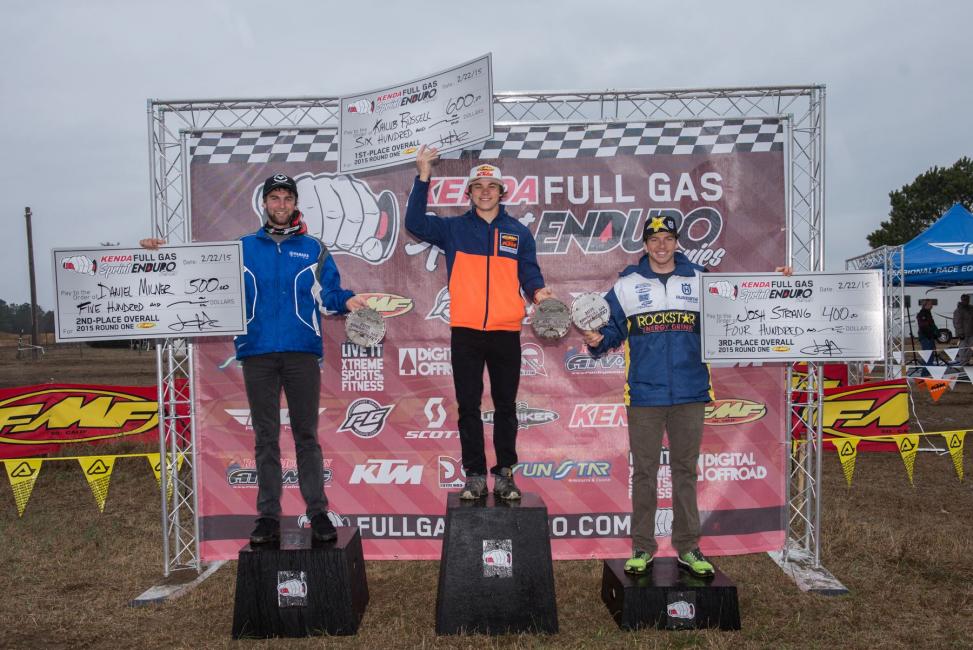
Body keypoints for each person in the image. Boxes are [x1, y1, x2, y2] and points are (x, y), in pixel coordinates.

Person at [141, 173, 368, 544]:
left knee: (306, 437)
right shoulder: (240, 247)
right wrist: (160, 255)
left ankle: (318, 513)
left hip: (301, 353)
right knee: (265, 438)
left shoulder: (314, 248)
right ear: (264, 203)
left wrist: (347, 300)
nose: (280, 204)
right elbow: (196, 273)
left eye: (286, 198)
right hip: (257, 353)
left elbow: (329, 294)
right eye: (274, 198)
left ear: (295, 204)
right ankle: (268, 517)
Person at [582, 214, 789, 579]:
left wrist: (776, 283)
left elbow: (741, 303)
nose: (661, 245)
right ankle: (642, 548)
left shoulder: (700, 279)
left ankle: (689, 547)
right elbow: (610, 330)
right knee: (644, 473)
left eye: (667, 238)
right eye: (654, 239)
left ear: (677, 242)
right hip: (644, 394)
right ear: (645, 245)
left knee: (684, 473)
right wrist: (598, 341)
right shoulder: (627, 284)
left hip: (691, 392)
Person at [405, 146, 553, 501]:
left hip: (505, 331)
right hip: (466, 331)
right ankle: (473, 474)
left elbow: (530, 274)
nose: (485, 192)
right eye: (478, 186)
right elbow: (414, 223)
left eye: (492, 186)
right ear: (468, 193)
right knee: (468, 405)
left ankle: (504, 474)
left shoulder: (518, 232)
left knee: (505, 407)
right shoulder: (454, 229)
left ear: (503, 193)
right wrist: (423, 175)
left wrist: (541, 296)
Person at [916, 299, 939, 365]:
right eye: (930, 304)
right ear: (925, 305)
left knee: (930, 356)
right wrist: (930, 334)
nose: (932, 306)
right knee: (927, 356)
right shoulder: (923, 314)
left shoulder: (928, 313)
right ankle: (925, 373)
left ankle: (928, 372)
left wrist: (936, 332)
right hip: (926, 338)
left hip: (929, 337)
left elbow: (931, 325)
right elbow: (924, 326)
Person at [952, 294, 973, 366]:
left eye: (967, 299)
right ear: (962, 300)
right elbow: (957, 322)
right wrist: (960, 333)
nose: (966, 301)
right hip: (963, 333)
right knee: (963, 349)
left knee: (970, 349)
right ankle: (962, 362)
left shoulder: (971, 308)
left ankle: (966, 361)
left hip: (971, 333)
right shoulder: (958, 310)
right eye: (964, 299)